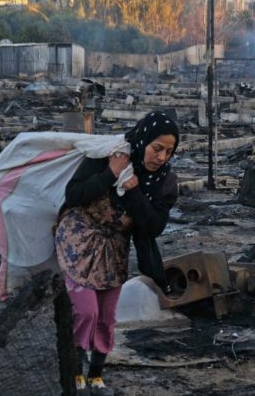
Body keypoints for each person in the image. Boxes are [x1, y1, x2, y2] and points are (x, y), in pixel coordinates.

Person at [54, 111, 179, 394]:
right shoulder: (109, 156)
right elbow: (73, 194)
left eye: (169, 152)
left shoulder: (164, 182)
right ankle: (75, 368)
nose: (161, 157)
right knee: (86, 311)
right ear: (143, 140)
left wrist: (133, 193)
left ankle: (96, 371)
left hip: (114, 248)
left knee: (107, 315)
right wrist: (111, 173)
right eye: (157, 148)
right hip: (80, 240)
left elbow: (154, 226)